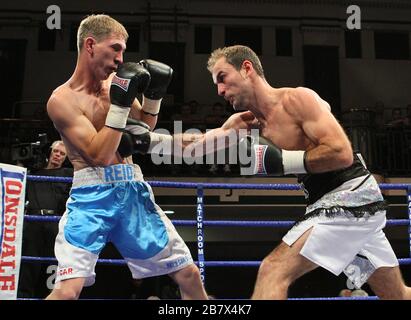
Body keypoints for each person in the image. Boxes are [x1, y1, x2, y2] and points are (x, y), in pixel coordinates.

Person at [204, 45, 411, 299]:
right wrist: (150, 138)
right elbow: (196, 145)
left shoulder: (297, 99)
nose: (220, 91)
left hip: (349, 200)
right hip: (344, 212)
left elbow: (341, 153)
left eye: (223, 78)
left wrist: (284, 161)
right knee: (397, 295)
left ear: (246, 68)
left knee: (273, 270)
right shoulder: (244, 123)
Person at [45, 14, 207, 300]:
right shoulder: (62, 100)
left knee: (189, 275)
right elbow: (98, 154)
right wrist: (119, 106)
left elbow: (143, 126)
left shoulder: (114, 86)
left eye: (123, 50)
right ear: (91, 45)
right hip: (90, 197)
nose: (122, 58)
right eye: (115, 48)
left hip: (131, 189)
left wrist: (154, 94)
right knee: (67, 293)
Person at [18, 140, 73, 298]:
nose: (58, 155)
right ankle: (23, 296)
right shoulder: (34, 173)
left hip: (54, 222)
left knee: (52, 263)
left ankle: (49, 296)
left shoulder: (67, 174)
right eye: (56, 151)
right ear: (49, 152)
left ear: (65, 158)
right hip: (33, 221)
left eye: (62, 154)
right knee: (29, 263)